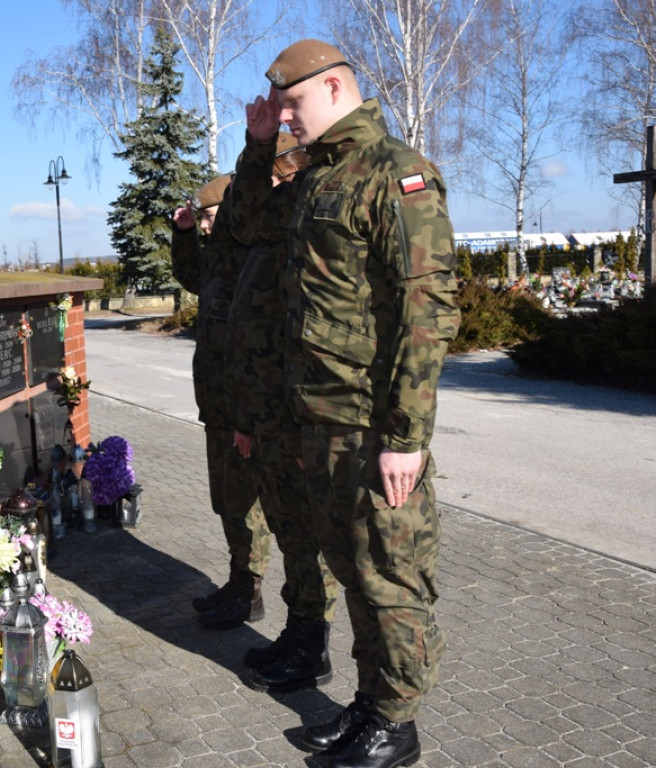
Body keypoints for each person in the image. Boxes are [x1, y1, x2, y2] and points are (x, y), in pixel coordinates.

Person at [247, 40, 461, 768]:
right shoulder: (313, 179)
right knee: (352, 565)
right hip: (321, 419)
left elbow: (426, 309)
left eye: (294, 105)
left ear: (335, 88)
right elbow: (250, 238)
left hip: (374, 423)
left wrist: (407, 434)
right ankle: (371, 704)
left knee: (389, 575)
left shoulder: (396, 173)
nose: (287, 120)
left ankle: (397, 724)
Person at [222, 132, 340, 692]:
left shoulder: (300, 231)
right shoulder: (265, 238)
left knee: (308, 537)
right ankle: (298, 631)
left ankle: (312, 644)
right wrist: (247, 418)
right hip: (265, 414)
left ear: (291, 174)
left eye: (267, 175)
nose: (256, 189)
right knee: (291, 534)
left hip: (294, 417)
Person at [171, 174, 271, 630]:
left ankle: (250, 590)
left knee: (247, 505)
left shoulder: (251, 260)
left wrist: (246, 417)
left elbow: (254, 345)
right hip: (216, 408)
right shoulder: (221, 260)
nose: (208, 226)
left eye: (209, 217)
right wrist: (186, 233)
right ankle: (237, 579)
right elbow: (192, 275)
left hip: (240, 412)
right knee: (226, 501)